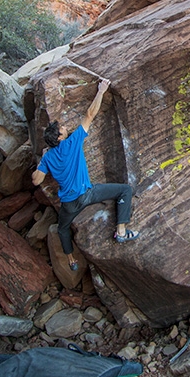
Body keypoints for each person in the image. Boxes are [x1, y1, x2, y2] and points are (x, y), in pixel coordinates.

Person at [31, 78, 138, 271]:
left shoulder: (48, 158)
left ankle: (71, 260)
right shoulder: (72, 142)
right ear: (60, 137)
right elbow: (89, 114)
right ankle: (121, 231)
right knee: (125, 190)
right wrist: (101, 91)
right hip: (88, 193)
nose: (65, 127)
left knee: (62, 228)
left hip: (70, 203)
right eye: (62, 128)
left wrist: (44, 158)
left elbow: (36, 180)